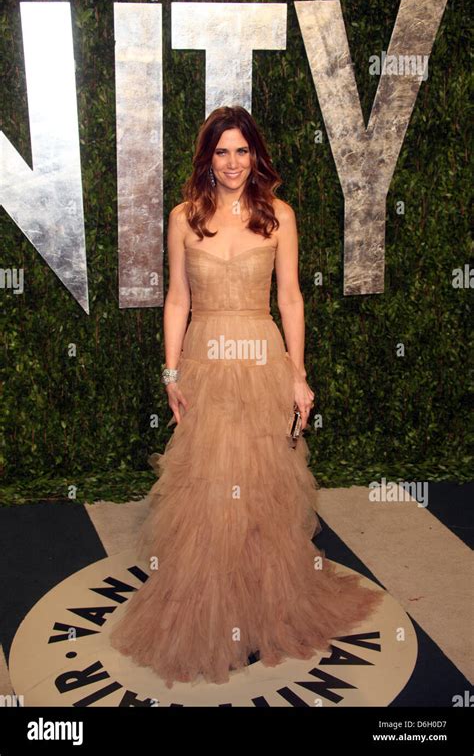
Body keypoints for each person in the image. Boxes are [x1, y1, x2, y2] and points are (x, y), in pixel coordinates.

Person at [109, 105, 384, 688]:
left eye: (242, 150)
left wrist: (298, 374)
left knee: (260, 485)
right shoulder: (184, 217)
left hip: (261, 357)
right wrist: (171, 372)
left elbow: (290, 301)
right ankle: (211, 609)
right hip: (206, 360)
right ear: (207, 157)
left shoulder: (278, 216)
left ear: (255, 154)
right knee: (208, 485)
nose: (233, 163)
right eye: (221, 151)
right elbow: (177, 300)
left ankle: (263, 609)